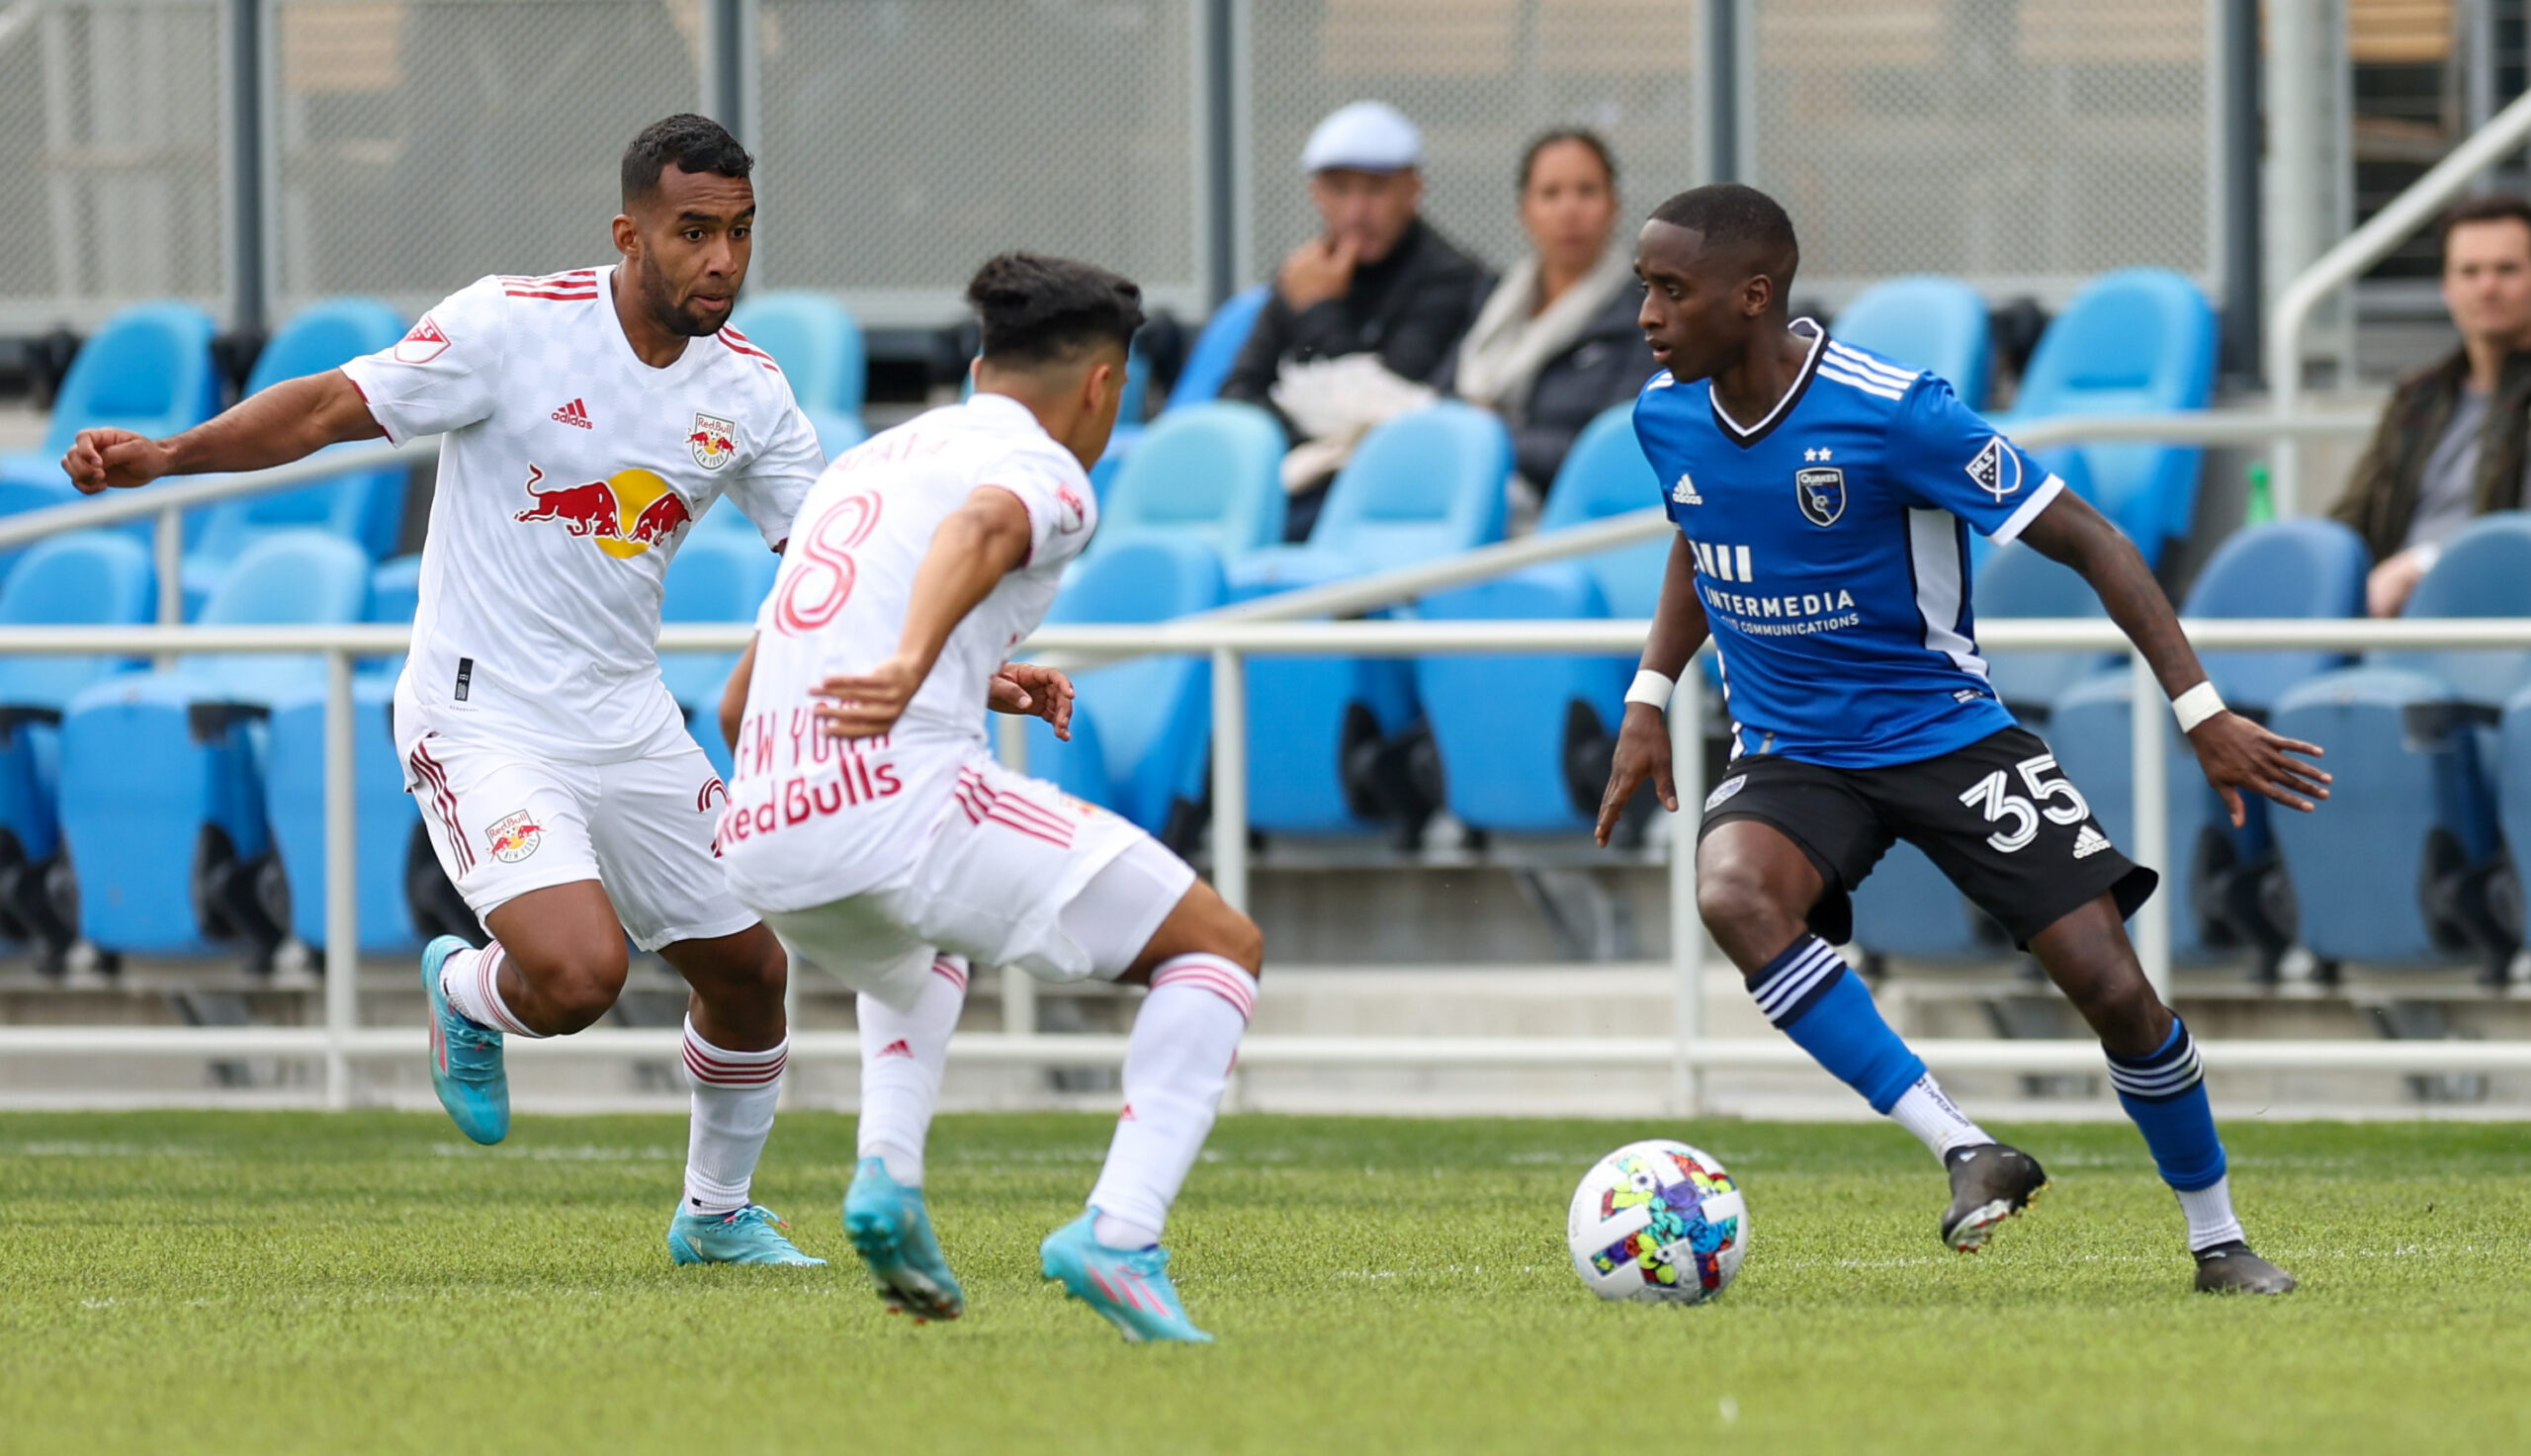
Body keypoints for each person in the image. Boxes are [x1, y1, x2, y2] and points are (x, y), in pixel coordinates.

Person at [58, 115, 829, 1268]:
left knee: (752, 971)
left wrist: (973, 659)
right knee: (580, 977)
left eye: (741, 231)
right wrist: (173, 455)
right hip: (482, 713)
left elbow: (832, 562)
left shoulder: (751, 393)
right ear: (629, 235)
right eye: (693, 232)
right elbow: (327, 407)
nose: (723, 259)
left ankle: (715, 1216)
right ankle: (468, 990)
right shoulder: (511, 326)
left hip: (626, 714)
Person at [1599, 184, 2327, 1295]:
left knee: (2111, 985)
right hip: (1794, 747)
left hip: (1944, 734)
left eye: (1669, 290)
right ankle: (1965, 1148)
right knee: (1733, 893)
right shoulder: (1666, 414)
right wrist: (1649, 693)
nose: (1647, 315)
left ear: (1752, 295)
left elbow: (2093, 539)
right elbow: (1701, 533)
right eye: (1642, 288)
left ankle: (2217, 1238)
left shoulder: (1894, 413)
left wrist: (2201, 710)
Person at [715, 252, 1265, 1343]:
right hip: (898, 804)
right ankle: (1120, 1233)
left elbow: (739, 698)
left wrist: (967, 673)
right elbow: (980, 531)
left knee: (925, 945)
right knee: (1219, 946)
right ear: (1103, 387)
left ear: (979, 369)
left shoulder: (864, 467)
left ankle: (887, 1176)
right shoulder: (1048, 466)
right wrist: (918, 665)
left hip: (765, 830)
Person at [1220, 100, 1490, 539]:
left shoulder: (1451, 278)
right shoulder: (1302, 273)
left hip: (1397, 489)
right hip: (1298, 477)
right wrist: (1303, 441)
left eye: (1376, 190)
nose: (1356, 212)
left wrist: (1319, 309)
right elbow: (1238, 390)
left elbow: (1382, 404)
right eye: (1340, 190)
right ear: (1316, 195)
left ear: (1413, 191)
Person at [1441, 128, 1656, 526]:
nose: (1569, 210)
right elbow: (1440, 397)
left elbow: (1611, 450)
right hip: (1471, 497)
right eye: (1550, 193)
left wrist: (1493, 438)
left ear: (1615, 206)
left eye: (1587, 191)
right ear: (1524, 212)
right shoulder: (1492, 299)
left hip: (1576, 520)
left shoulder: (1647, 316)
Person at [2330, 193, 2531, 616]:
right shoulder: (2418, 397)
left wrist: (2424, 564)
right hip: (2391, 616)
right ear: (2446, 287)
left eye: (2507, 269)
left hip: (2499, 614)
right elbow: (2352, 518)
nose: (2488, 287)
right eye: (2470, 271)